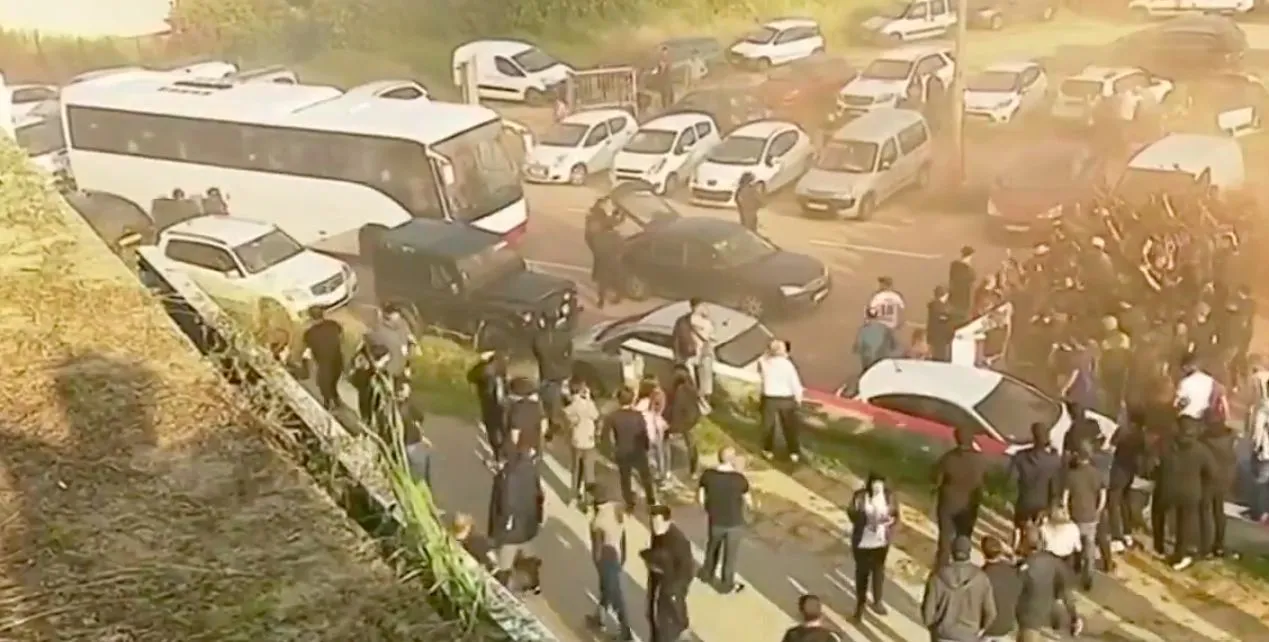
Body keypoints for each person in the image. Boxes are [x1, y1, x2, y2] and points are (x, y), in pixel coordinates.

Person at [1154, 428, 1216, 570]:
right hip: (1191, 492)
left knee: (1158, 512)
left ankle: (1159, 546)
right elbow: (1212, 471)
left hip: (1168, 488)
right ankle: (1179, 556)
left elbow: (1155, 462)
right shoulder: (1201, 450)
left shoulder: (1167, 445)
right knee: (1185, 525)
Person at [487, 444, 545, 595]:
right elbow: (539, 497)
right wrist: (538, 519)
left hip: (510, 531)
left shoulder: (505, 477)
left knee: (504, 565)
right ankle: (534, 585)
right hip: (528, 527)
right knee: (528, 559)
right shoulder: (530, 470)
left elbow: (502, 506)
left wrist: (495, 533)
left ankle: (504, 593)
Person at [920, 535, 997, 642]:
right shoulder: (981, 579)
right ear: (969, 552)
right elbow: (991, 613)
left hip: (943, 634)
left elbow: (927, 612)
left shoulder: (937, 577)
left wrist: (935, 631)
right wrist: (981, 630)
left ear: (952, 551)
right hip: (969, 636)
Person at [697, 447, 752, 595]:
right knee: (730, 556)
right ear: (732, 459)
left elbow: (701, 498)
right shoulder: (739, 479)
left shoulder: (708, 475)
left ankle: (706, 574)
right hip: (734, 523)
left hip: (715, 520)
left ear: (718, 457)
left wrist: (708, 510)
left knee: (712, 548)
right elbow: (749, 501)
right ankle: (726, 585)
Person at [847, 472, 899, 620]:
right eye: (875, 483)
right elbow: (851, 513)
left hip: (881, 543)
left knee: (878, 572)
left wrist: (890, 522)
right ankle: (860, 607)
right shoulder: (860, 496)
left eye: (880, 483)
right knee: (862, 575)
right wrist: (863, 520)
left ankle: (878, 601)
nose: (878, 487)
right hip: (862, 543)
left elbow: (896, 516)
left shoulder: (890, 496)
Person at [933, 429, 988, 568]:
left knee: (945, 540)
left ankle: (942, 568)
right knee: (964, 538)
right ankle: (961, 567)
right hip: (969, 505)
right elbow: (984, 482)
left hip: (948, 503)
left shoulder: (948, 458)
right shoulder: (980, 460)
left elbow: (935, 479)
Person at [1016, 527, 1083, 641]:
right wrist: (1075, 617)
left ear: (1024, 543)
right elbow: (1066, 593)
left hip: (1029, 617)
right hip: (1046, 615)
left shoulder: (1025, 566)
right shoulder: (1055, 562)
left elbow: (1013, 590)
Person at [587, 480, 634, 641]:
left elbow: (597, 551)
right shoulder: (617, 509)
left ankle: (625, 632)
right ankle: (598, 617)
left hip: (607, 557)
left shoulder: (597, 522)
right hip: (618, 554)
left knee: (614, 594)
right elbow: (623, 536)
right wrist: (623, 557)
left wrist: (597, 565)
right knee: (607, 589)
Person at [643, 505, 694, 642]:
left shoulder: (678, 541)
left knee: (666, 626)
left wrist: (674, 591)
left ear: (668, 521)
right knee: (653, 617)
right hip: (658, 584)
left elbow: (686, 570)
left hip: (670, 589)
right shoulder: (658, 534)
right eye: (652, 522)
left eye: (657, 522)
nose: (654, 526)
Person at [1008, 422, 1062, 548]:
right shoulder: (1054, 461)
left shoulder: (1020, 457)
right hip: (1043, 504)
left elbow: (1011, 480)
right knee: (1040, 535)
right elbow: (1055, 486)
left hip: (1024, 502)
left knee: (1021, 532)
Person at [1063, 442, 1109, 588]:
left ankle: (1076, 566)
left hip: (1075, 515)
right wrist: (1098, 510)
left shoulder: (1072, 475)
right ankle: (1088, 575)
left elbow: (1065, 497)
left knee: (1075, 544)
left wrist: (1066, 512)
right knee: (1089, 547)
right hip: (1090, 516)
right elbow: (1103, 495)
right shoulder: (1097, 474)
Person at [602, 387, 656, 508]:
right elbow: (644, 433)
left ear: (618, 400)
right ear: (632, 400)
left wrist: (611, 451)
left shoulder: (612, 416)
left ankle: (629, 501)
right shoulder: (638, 415)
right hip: (638, 450)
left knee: (625, 477)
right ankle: (651, 499)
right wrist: (646, 447)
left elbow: (605, 436)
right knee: (645, 476)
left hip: (622, 450)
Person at [759, 339, 804, 463]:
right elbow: (795, 383)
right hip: (786, 399)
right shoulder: (787, 365)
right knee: (789, 426)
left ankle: (767, 450)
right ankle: (793, 451)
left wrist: (770, 349)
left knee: (768, 426)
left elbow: (763, 356)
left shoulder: (764, 362)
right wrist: (798, 399)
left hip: (769, 398)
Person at [531, 313, 573, 441]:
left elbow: (536, 351)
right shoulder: (564, 336)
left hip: (546, 372)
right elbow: (570, 351)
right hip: (561, 373)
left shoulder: (539, 338)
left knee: (546, 399)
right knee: (555, 397)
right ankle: (553, 420)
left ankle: (550, 422)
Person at [1200, 420, 1237, 558]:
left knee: (1204, 512)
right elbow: (1233, 462)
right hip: (1223, 481)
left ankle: (1205, 546)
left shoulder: (1205, 440)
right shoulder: (1230, 442)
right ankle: (1219, 544)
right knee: (1219, 512)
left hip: (1208, 480)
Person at [467, 351, 509, 465]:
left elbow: (470, 375)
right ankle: (507, 455)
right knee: (504, 429)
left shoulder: (486, 370)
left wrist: (481, 361)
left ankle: (499, 457)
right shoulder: (501, 367)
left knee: (493, 431)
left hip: (490, 403)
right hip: (503, 404)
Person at [565, 377, 600, 505]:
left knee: (576, 469)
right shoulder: (589, 404)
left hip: (576, 441)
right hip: (589, 442)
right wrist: (589, 398)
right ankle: (588, 499)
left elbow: (567, 416)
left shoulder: (572, 406)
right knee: (589, 472)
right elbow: (596, 415)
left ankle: (573, 496)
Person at [301, 305, 344, 410]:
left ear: (311, 318)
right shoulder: (333, 325)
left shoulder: (309, 334)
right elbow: (341, 335)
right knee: (333, 381)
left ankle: (328, 403)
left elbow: (308, 350)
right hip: (337, 360)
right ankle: (336, 398)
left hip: (325, 363)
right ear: (323, 314)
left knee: (323, 384)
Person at [979, 536, 1021, 642]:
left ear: (983, 552)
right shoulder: (1012, 572)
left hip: (986, 628)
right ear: (1001, 552)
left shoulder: (981, 576)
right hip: (1006, 625)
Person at [666, 365, 702, 477]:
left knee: (666, 443)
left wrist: (673, 426)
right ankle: (693, 470)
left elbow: (677, 408)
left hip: (686, 421)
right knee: (692, 446)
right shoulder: (692, 388)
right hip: (693, 420)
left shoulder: (680, 390)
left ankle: (667, 470)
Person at [636, 378, 671, 486]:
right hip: (658, 429)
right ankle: (662, 475)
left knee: (651, 454)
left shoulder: (643, 402)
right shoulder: (658, 397)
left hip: (650, 431)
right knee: (660, 453)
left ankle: (655, 474)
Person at [504, 376, 545, 462]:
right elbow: (544, 426)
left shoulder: (516, 409)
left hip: (521, 448)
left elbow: (514, 434)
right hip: (534, 444)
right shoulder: (537, 406)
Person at [1248, 377, 1269, 524]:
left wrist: (1256, 446)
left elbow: (1258, 429)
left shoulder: (1265, 406)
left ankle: (1260, 512)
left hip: (1266, 450)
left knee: (1261, 481)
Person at [853, 307, 897, 376]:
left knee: (867, 375)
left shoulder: (863, 330)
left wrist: (856, 349)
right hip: (880, 360)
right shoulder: (884, 329)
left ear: (867, 316)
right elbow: (893, 344)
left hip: (868, 361)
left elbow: (858, 346)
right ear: (877, 316)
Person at [948, 246, 977, 322]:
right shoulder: (970, 272)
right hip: (964, 301)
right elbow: (971, 287)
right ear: (970, 256)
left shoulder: (954, 265)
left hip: (953, 297)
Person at [927, 285, 955, 362]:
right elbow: (942, 318)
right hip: (941, 335)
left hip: (937, 335)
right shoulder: (938, 306)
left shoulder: (934, 305)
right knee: (940, 355)